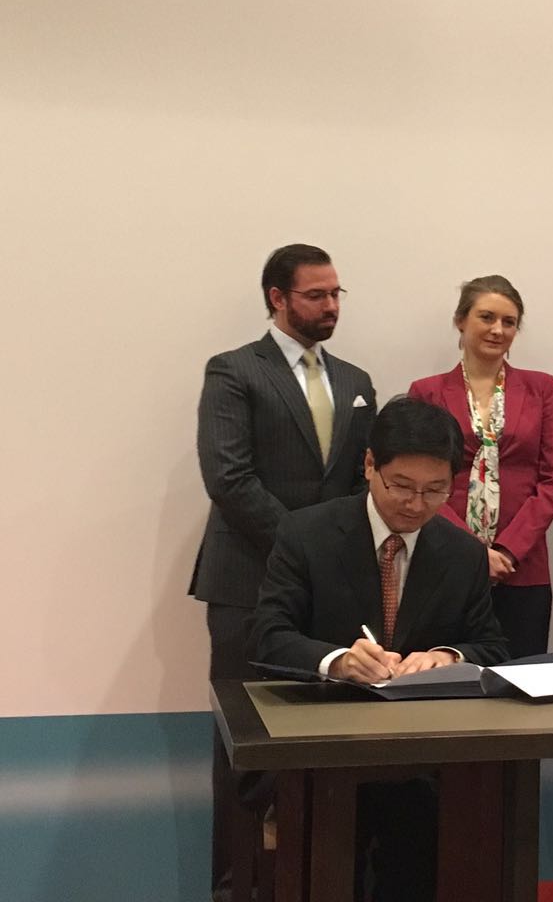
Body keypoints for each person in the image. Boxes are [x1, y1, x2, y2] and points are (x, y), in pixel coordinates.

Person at [251, 397, 508, 901]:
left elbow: (492, 644)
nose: (416, 504)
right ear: (370, 465)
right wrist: (338, 661)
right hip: (324, 748)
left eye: (435, 490)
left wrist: (448, 657)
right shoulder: (307, 533)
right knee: (326, 870)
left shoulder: (462, 553)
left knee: (433, 851)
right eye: (402, 486)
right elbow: (267, 636)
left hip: (422, 754)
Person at [190, 243, 376, 900]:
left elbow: (363, 481)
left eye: (335, 294)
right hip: (247, 583)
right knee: (247, 753)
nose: (331, 307)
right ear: (277, 298)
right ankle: (236, 889)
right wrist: (307, 549)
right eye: (315, 295)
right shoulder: (234, 371)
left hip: (330, 594)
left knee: (330, 746)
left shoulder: (355, 380)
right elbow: (229, 478)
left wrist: (334, 559)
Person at [407, 275, 553, 658]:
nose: (498, 329)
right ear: (460, 320)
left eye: (509, 322)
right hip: (446, 561)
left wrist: (508, 551)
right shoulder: (426, 392)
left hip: (521, 567)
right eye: (487, 317)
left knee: (520, 675)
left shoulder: (542, 388)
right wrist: (474, 553)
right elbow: (419, 483)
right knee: (443, 673)